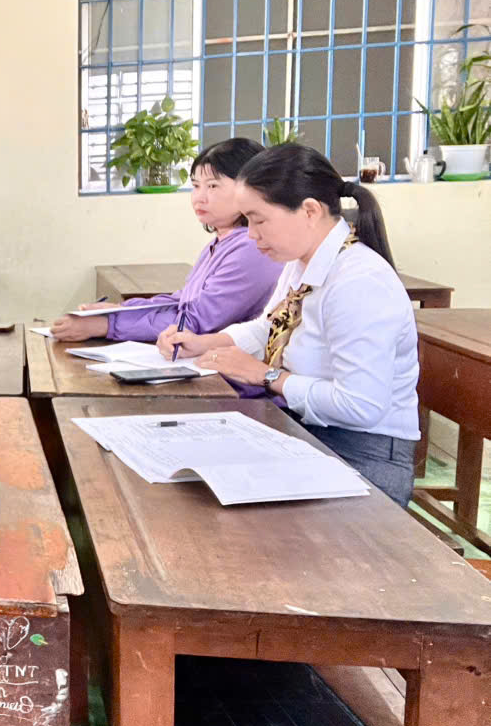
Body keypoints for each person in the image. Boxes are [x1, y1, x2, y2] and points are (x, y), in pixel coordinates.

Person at [161, 144, 419, 507]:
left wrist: (266, 376)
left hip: (363, 454)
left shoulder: (359, 282)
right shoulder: (301, 263)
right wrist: (207, 342)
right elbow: (267, 327)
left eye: (259, 220)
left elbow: (360, 406)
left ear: (310, 211)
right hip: (308, 431)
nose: (251, 234)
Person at [49, 138, 281, 343]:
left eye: (212, 186)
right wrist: (120, 310)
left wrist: (106, 325)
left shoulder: (252, 248)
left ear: (249, 188)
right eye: (196, 186)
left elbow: (197, 321)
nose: (199, 197)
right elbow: (182, 301)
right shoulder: (222, 242)